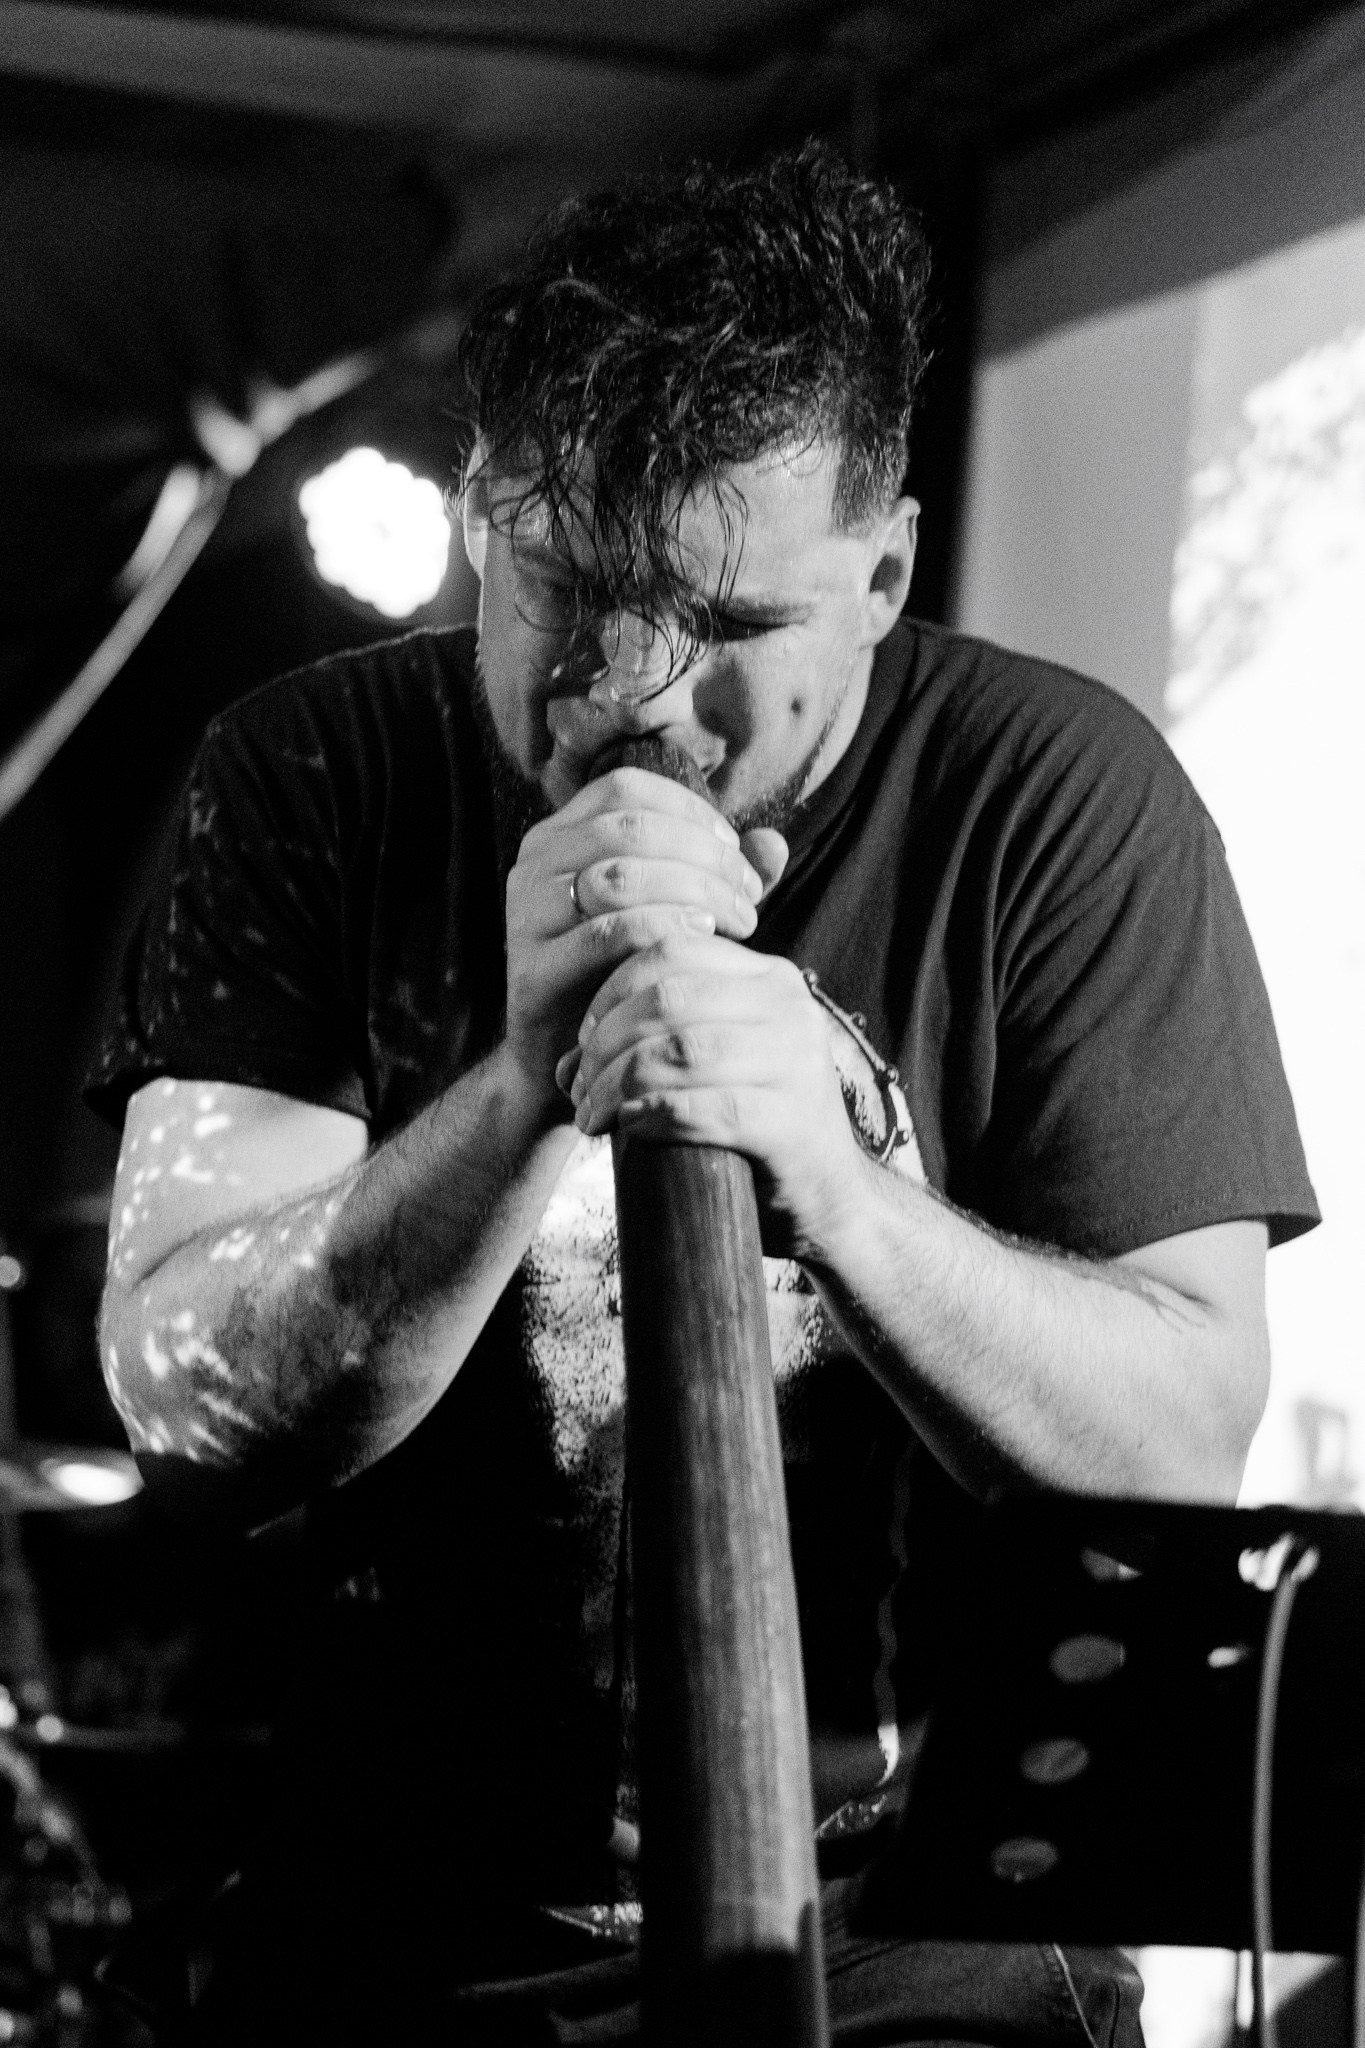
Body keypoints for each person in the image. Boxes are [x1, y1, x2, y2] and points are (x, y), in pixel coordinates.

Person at [89, 143, 1316, 2044]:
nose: (635, 698)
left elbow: (1168, 1458)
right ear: (480, 520)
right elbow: (185, 1400)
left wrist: (837, 1182)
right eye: (568, 593)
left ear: (881, 573)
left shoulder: (1056, 796)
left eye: (732, 629)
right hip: (396, 1914)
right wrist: (520, 1088)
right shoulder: (314, 770)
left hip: (915, 1939)